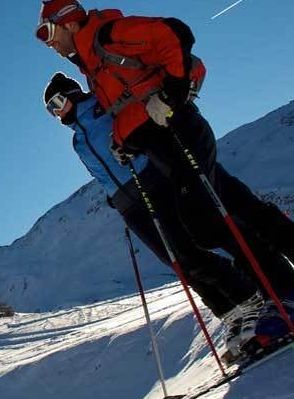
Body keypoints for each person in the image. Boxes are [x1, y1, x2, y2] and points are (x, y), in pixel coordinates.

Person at [35, 0, 294, 343]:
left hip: (176, 131)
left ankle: (286, 293)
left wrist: (170, 94)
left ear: (68, 22)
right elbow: (131, 106)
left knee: (210, 223)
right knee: (243, 209)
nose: (48, 43)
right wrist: (124, 142)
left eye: (47, 32)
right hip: (159, 145)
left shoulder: (107, 34)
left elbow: (174, 33)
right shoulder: (93, 66)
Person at [43, 71, 263, 354]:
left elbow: (132, 128)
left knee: (187, 252)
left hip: (150, 181)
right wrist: (113, 197)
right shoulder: (77, 141)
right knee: (175, 263)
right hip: (127, 203)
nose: (57, 112)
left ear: (72, 94)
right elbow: (99, 172)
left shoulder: (103, 106)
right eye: (51, 110)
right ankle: (229, 313)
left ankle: (247, 296)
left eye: (57, 103)